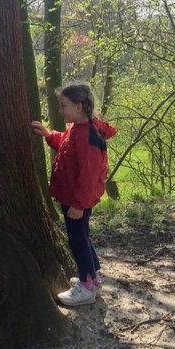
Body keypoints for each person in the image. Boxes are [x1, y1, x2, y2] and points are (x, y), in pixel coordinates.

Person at [31, 83, 116, 306]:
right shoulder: (77, 130)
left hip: (76, 201)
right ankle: (93, 279)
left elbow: (88, 175)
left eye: (63, 105)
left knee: (77, 241)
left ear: (78, 106)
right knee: (82, 238)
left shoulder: (88, 136)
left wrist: (78, 205)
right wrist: (49, 135)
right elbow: (67, 146)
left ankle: (86, 287)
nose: (60, 110)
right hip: (73, 198)